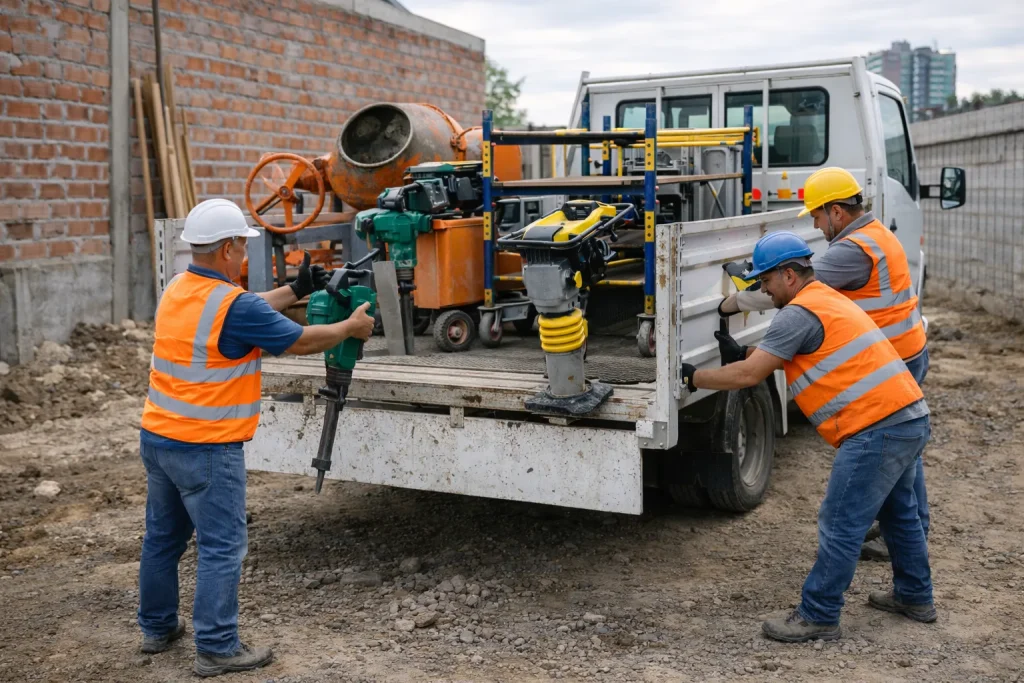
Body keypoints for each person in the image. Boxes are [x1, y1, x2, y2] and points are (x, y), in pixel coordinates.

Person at [136, 199, 375, 677]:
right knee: (223, 546)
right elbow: (299, 340)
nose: (243, 254)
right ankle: (218, 647)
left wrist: (293, 289)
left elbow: (243, 312)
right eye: (242, 246)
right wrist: (351, 327)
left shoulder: (179, 289)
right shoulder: (232, 305)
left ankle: (157, 628)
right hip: (207, 446)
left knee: (163, 538)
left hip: (160, 437)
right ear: (227, 248)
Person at [682, 231, 935, 642]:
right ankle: (915, 596)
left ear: (788, 275)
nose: (763, 290)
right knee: (899, 513)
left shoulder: (797, 312)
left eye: (765, 281)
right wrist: (747, 354)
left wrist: (697, 377)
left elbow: (750, 376)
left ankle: (819, 613)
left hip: (876, 428)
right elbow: (806, 356)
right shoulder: (827, 300)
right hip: (908, 417)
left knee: (840, 522)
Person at [720, 167, 931, 561]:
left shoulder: (851, 250)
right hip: (905, 350)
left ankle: (903, 530)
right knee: (903, 459)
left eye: (817, 216)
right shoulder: (875, 234)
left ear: (836, 211)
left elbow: (793, 289)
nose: (816, 226)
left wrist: (733, 301)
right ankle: (905, 528)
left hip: (892, 360)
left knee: (896, 463)